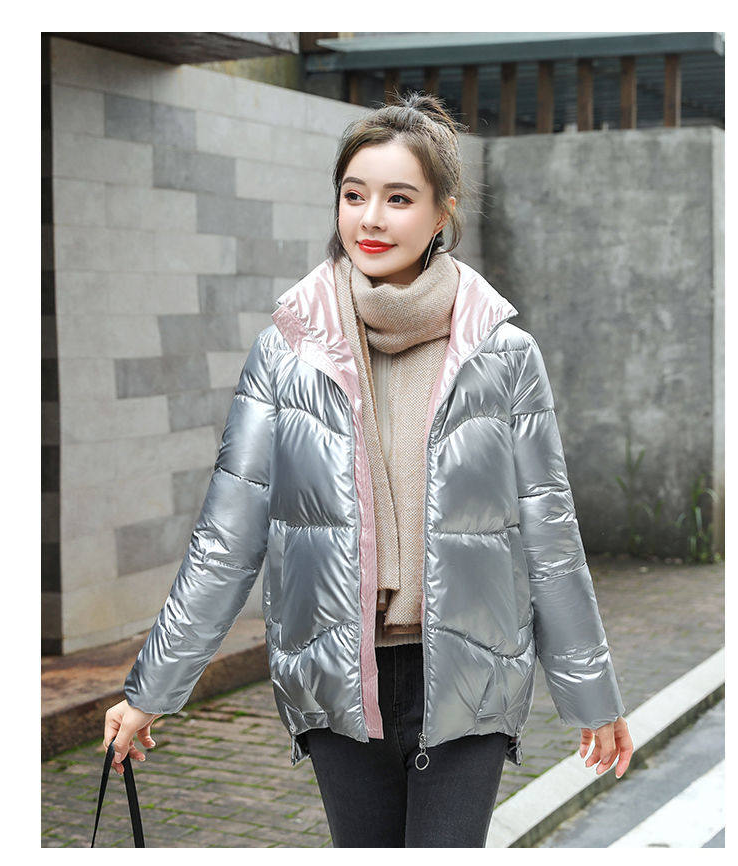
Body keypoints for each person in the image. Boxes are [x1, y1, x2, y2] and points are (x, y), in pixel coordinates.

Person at [104, 91, 634, 847]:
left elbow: (550, 535)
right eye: (354, 196)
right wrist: (151, 691)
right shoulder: (287, 351)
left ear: (442, 213)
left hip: (472, 675)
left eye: (398, 198)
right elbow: (228, 538)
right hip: (337, 675)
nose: (371, 219)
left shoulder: (503, 354)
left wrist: (592, 696)